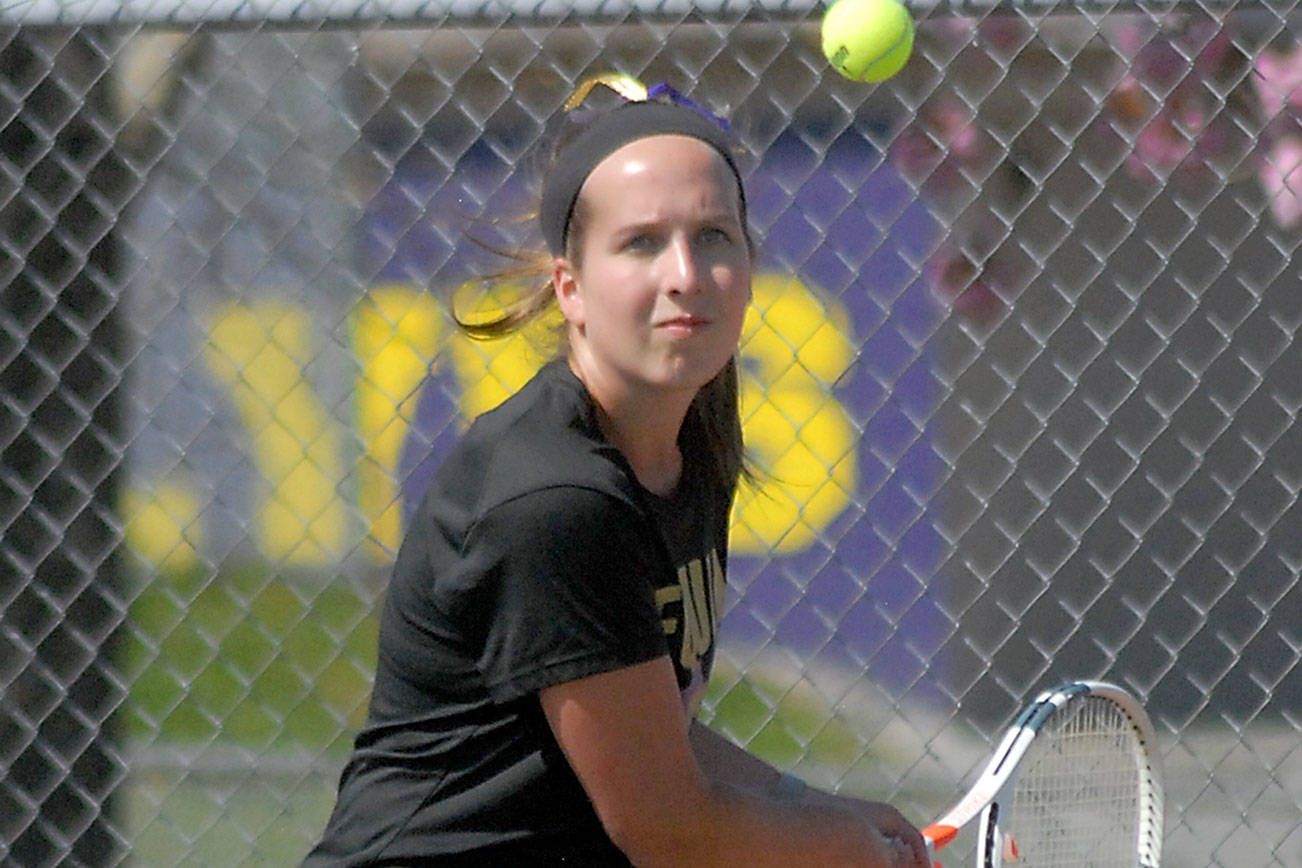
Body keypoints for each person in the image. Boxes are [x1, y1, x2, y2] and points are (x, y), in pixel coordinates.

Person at [304, 75, 928, 867]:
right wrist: (845, 851)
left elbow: (659, 738)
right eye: (641, 243)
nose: (686, 275)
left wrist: (818, 809)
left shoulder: (692, 437)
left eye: (713, 237)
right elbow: (667, 829)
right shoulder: (555, 500)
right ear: (571, 287)